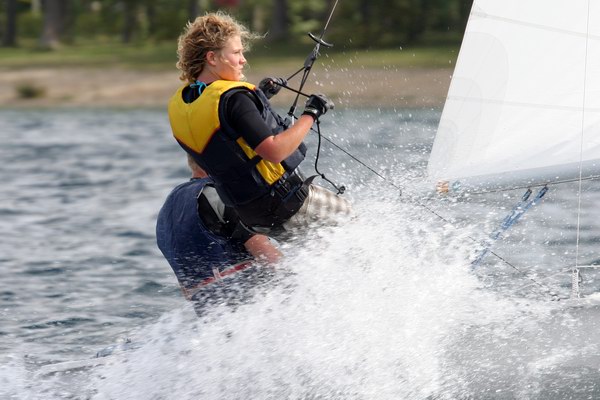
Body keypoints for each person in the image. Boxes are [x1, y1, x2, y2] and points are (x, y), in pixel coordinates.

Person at [168, 12, 351, 238]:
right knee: (356, 226)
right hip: (288, 202)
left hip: (254, 218)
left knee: (326, 249)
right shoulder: (235, 99)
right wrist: (311, 113)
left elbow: (227, 135)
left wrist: (260, 98)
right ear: (212, 58)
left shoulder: (183, 104)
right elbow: (275, 151)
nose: (243, 59)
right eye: (236, 53)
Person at [156, 154, 281, 315]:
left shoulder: (166, 214)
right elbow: (270, 259)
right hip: (252, 308)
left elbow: (187, 291)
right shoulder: (218, 194)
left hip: (211, 318)